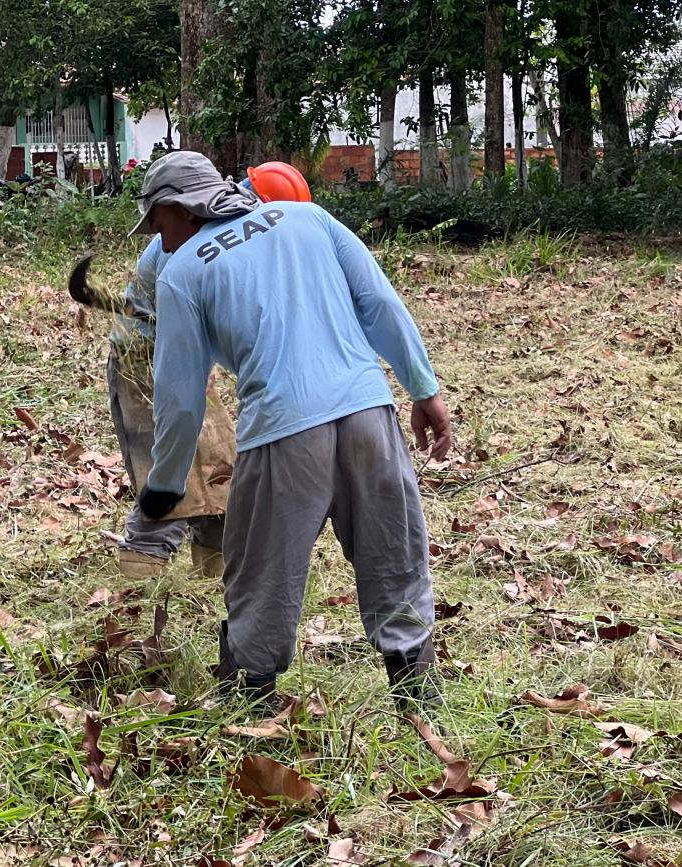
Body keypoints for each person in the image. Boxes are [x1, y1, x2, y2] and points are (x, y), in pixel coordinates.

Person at [132, 151, 452, 708]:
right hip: (368, 415)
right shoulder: (308, 218)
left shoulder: (182, 273)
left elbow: (180, 400)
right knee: (394, 555)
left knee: (262, 572)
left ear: (176, 208)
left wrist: (164, 484)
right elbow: (378, 303)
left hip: (281, 433)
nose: (157, 240)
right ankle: (419, 695)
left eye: (155, 224)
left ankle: (246, 701)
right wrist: (424, 391)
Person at [108, 160, 314, 580]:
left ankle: (214, 577)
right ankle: (139, 586)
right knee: (169, 471)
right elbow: (182, 321)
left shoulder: (224, 233)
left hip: (188, 354)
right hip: (146, 356)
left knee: (220, 468)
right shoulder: (184, 240)